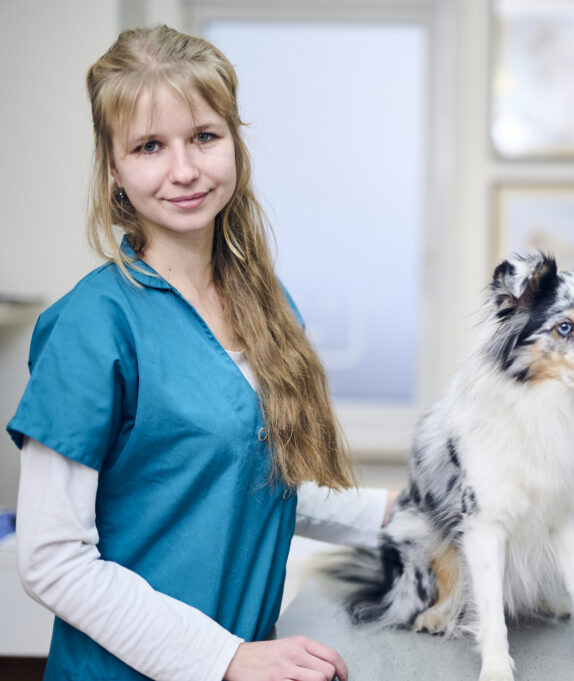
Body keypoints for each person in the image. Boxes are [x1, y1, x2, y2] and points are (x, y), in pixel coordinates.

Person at [8, 25, 394, 681]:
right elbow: (51, 557)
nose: (183, 169)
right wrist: (226, 656)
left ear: (235, 143)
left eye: (204, 137)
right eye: (150, 146)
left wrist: (407, 512)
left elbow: (245, 485)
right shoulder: (94, 324)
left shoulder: (267, 305)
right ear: (113, 167)